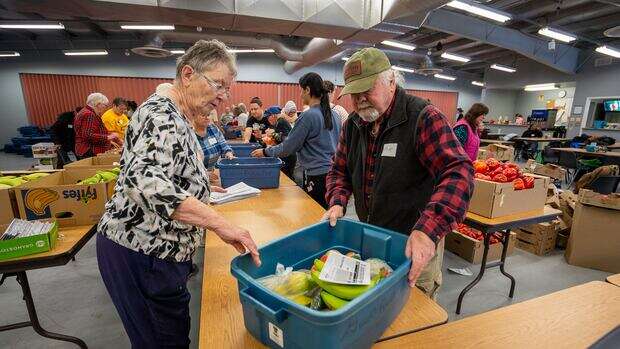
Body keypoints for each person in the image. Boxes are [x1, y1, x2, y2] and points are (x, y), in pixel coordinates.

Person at [96, 39, 261, 348]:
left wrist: (199, 186)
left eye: (228, 89)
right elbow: (144, 182)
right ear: (188, 74)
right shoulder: (162, 115)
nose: (223, 98)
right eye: (219, 85)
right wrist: (219, 223)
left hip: (158, 255)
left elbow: (166, 173)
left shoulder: (179, 115)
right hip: (143, 252)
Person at [323, 48, 474, 299]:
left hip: (414, 242)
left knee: (413, 312)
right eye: (354, 93)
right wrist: (337, 201)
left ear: (391, 81)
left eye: (367, 90)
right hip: (372, 237)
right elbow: (339, 169)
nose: (360, 99)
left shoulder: (423, 118)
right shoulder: (353, 124)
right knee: (376, 305)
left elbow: (458, 171)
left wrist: (428, 230)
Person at [251, 72, 341, 209]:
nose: (300, 95)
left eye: (301, 90)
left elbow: (288, 147)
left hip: (317, 177)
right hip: (334, 176)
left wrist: (265, 152)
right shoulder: (335, 115)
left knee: (315, 216)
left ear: (307, 90)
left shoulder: (308, 116)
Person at [74, 93, 122, 159]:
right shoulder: (89, 114)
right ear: (98, 104)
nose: (106, 108)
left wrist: (109, 138)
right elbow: (88, 135)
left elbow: (94, 131)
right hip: (89, 151)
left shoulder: (86, 112)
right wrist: (108, 137)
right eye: (105, 106)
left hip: (87, 150)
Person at [263, 106, 297, 179]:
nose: (267, 119)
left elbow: (286, 139)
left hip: (288, 156)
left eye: (268, 117)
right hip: (286, 154)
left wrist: (272, 134)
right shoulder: (279, 122)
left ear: (273, 115)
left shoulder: (281, 122)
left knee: (288, 178)